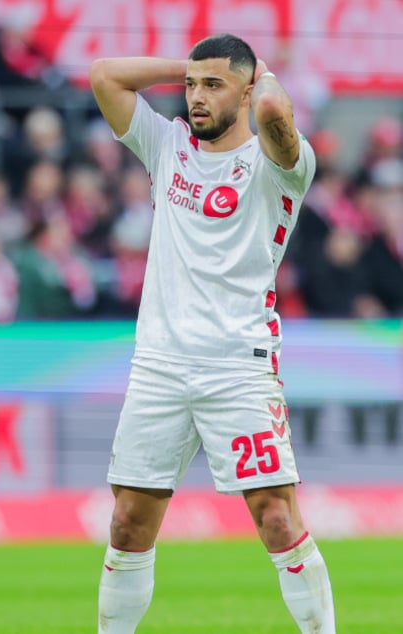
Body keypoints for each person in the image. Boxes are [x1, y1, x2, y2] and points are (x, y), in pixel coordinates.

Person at [88, 34, 335, 633]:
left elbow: (274, 112)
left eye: (213, 85)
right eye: (191, 86)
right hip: (159, 366)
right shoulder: (167, 145)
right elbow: (104, 75)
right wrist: (195, 66)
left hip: (239, 367)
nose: (195, 97)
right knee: (127, 523)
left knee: (276, 517)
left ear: (249, 90)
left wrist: (259, 75)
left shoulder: (282, 166)